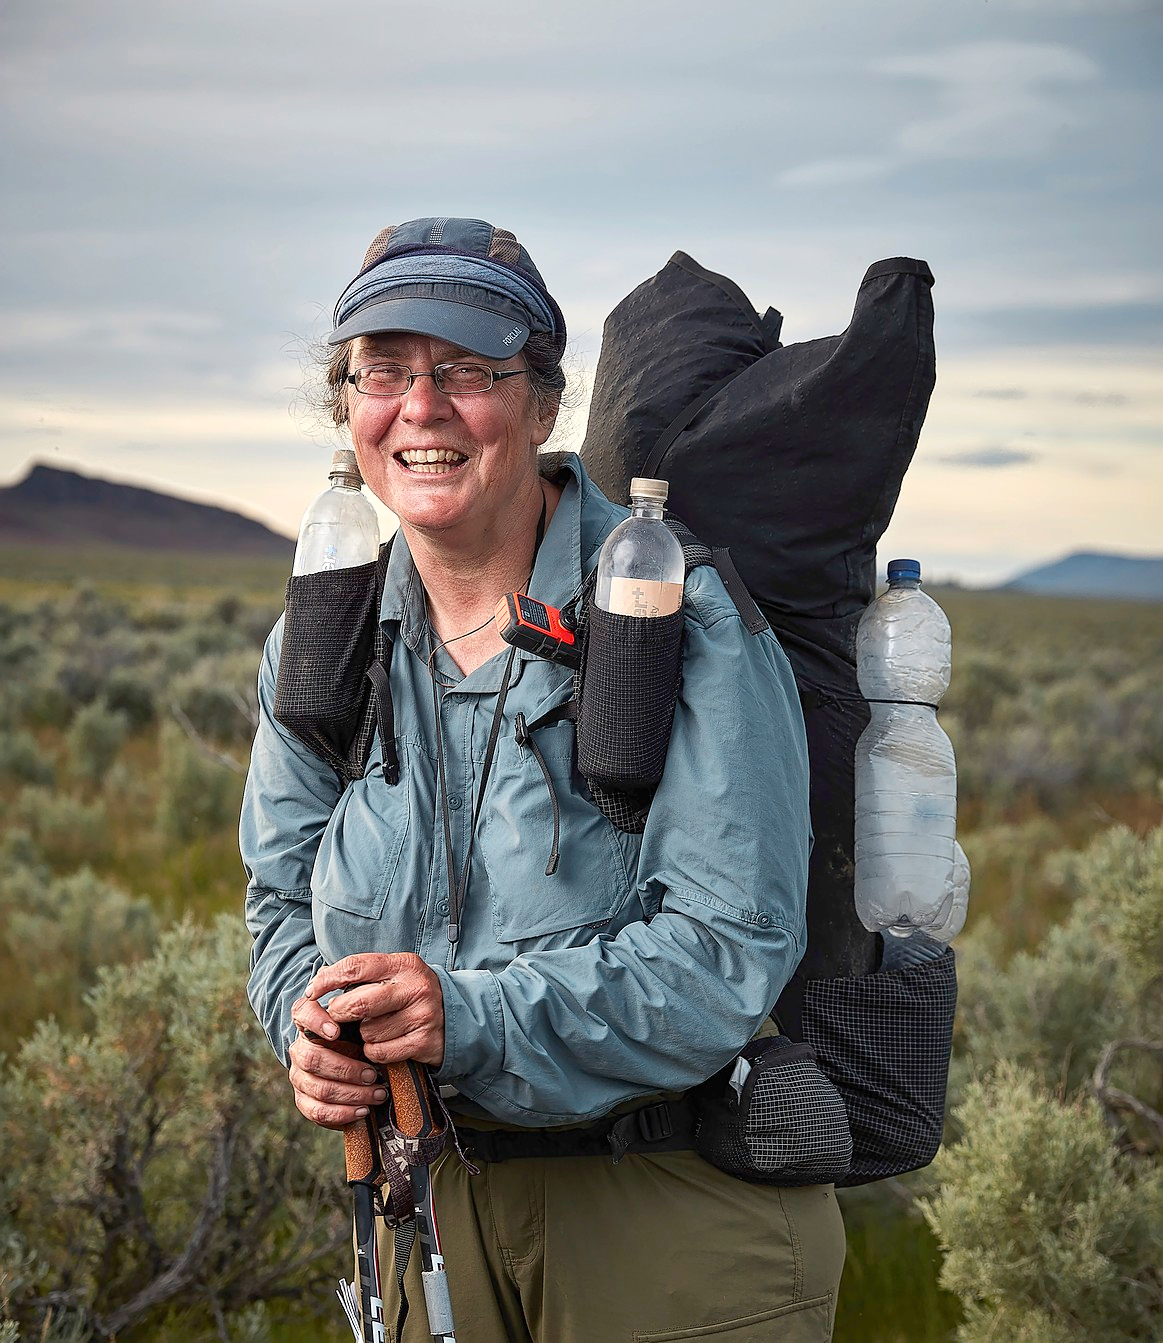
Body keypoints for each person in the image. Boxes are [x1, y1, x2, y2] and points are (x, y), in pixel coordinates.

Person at [242, 216, 846, 1342]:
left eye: (467, 370)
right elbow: (278, 900)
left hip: (668, 1221)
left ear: (538, 403)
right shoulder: (323, 646)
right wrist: (304, 1026)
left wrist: (460, 1017)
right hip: (423, 1214)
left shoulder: (674, 617)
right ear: (347, 405)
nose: (419, 406)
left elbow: (729, 945)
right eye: (383, 370)